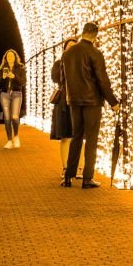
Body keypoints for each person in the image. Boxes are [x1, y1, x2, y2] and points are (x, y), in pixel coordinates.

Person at [60, 23, 119, 188]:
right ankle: (87, 178)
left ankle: (68, 176)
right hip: (92, 101)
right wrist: (113, 102)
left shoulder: (67, 54)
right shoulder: (95, 53)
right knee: (91, 139)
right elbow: (102, 80)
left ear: (82, 33)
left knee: (76, 137)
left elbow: (63, 78)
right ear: (95, 35)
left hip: (74, 100)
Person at [49, 38, 77, 175]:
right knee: (65, 136)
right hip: (63, 103)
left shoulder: (81, 63)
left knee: (78, 136)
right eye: (69, 46)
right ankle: (66, 168)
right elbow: (55, 78)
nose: (71, 49)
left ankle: (79, 168)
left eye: (74, 46)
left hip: (78, 101)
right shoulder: (59, 64)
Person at [0, 49, 26, 149]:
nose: (10, 58)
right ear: (6, 58)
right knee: (7, 117)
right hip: (4, 94)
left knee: (14, 116)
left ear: (15, 57)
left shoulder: (20, 68)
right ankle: (9, 140)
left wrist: (14, 76)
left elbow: (23, 82)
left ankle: (16, 136)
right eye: (8, 56)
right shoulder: (2, 69)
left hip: (16, 94)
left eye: (12, 56)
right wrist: (3, 77)